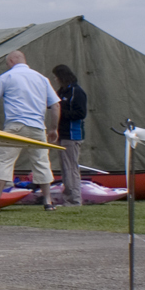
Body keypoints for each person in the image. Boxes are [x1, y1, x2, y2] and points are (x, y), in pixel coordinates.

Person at [0, 49, 59, 211]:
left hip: (15, 126)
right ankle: (48, 202)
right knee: (42, 162)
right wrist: (53, 129)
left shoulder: (6, 77)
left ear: (10, 62)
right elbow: (55, 105)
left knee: (4, 162)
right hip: (38, 127)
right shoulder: (42, 79)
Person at [51, 64, 87, 206]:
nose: (55, 79)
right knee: (65, 167)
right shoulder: (62, 92)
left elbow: (81, 113)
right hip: (62, 134)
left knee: (71, 167)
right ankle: (68, 197)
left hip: (72, 134)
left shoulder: (77, 92)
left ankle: (75, 199)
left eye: (56, 76)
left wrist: (61, 113)